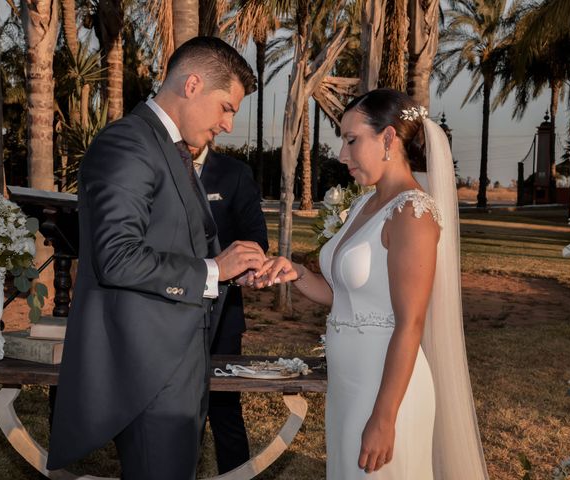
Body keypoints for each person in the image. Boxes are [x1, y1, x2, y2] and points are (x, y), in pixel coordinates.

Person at [47, 37, 267, 480]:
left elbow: (177, 243)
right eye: (226, 106)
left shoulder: (169, 147)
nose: (228, 124)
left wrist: (228, 271)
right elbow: (116, 256)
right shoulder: (129, 142)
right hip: (149, 370)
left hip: (180, 360)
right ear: (192, 85)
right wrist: (212, 270)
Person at [255, 89, 489, 479]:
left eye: (351, 140)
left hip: (387, 390)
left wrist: (384, 417)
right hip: (348, 384)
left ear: (388, 138)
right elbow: (343, 297)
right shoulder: (367, 204)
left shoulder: (412, 213)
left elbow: (410, 323)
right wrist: (294, 272)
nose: (343, 155)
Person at [190, 143, 268, 473]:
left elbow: (256, 240)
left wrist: (242, 267)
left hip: (223, 316)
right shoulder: (155, 166)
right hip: (160, 314)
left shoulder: (235, 173)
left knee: (224, 409)